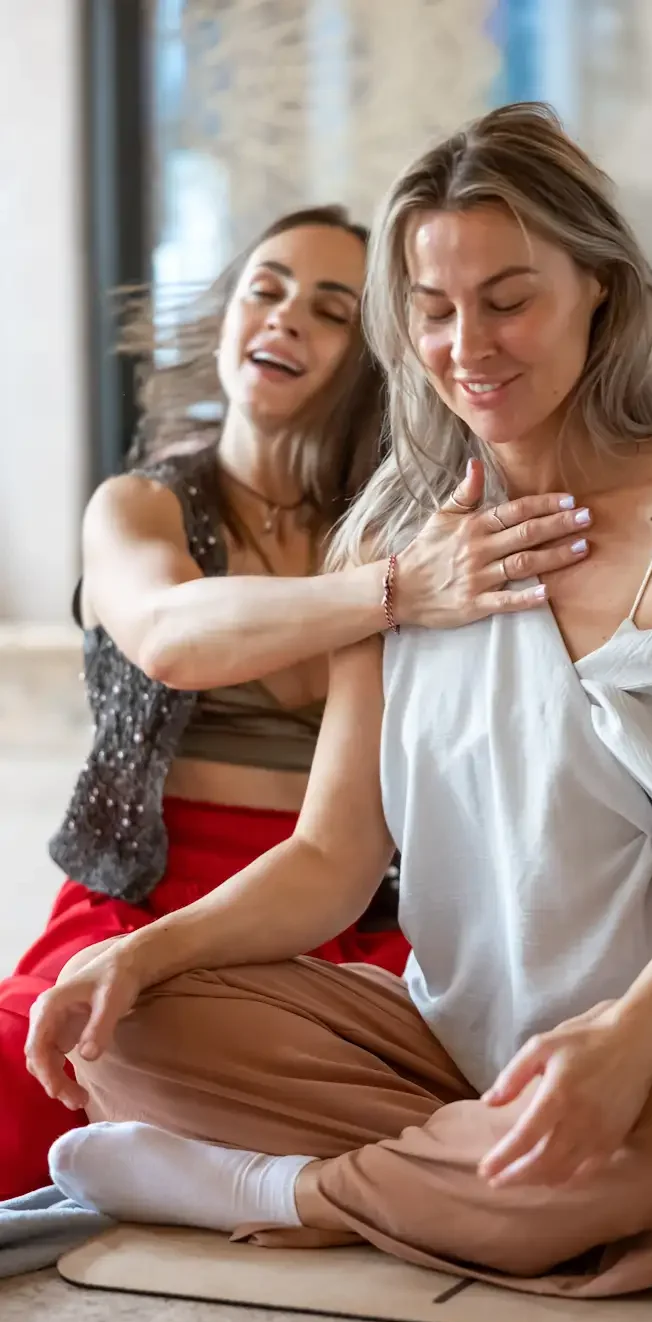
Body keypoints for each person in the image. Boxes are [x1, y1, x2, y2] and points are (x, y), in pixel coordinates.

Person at [28, 107, 652, 1298]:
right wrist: (144, 954)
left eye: (509, 298)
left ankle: (288, 1192)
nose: (467, 343)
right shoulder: (394, 542)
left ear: (601, 292)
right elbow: (332, 856)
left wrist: (625, 1046)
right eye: (431, 308)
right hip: (443, 1047)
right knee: (134, 1025)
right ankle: (532, 1192)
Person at [1, 200, 590, 1202]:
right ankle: (206, 1164)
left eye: (327, 309)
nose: (281, 318)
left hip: (346, 900)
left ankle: (219, 1172)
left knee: (506, 1107)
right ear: (228, 319)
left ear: (372, 358)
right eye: (263, 290)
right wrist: (396, 593)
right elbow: (170, 634)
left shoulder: (403, 524)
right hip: (140, 890)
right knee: (37, 1064)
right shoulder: (142, 506)